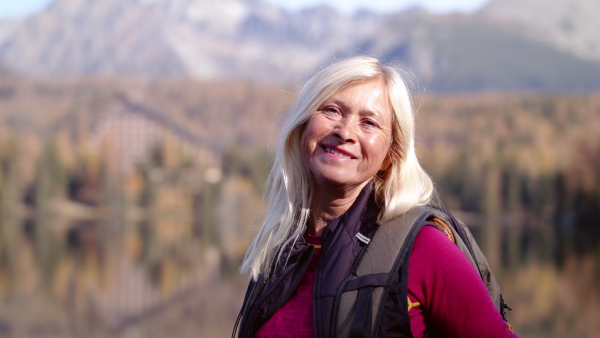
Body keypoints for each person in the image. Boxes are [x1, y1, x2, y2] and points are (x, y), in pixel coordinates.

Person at [233, 57, 517, 337]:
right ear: (304, 125)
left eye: (369, 123)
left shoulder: (423, 247)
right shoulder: (282, 247)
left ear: (388, 157)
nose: (344, 132)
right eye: (332, 110)